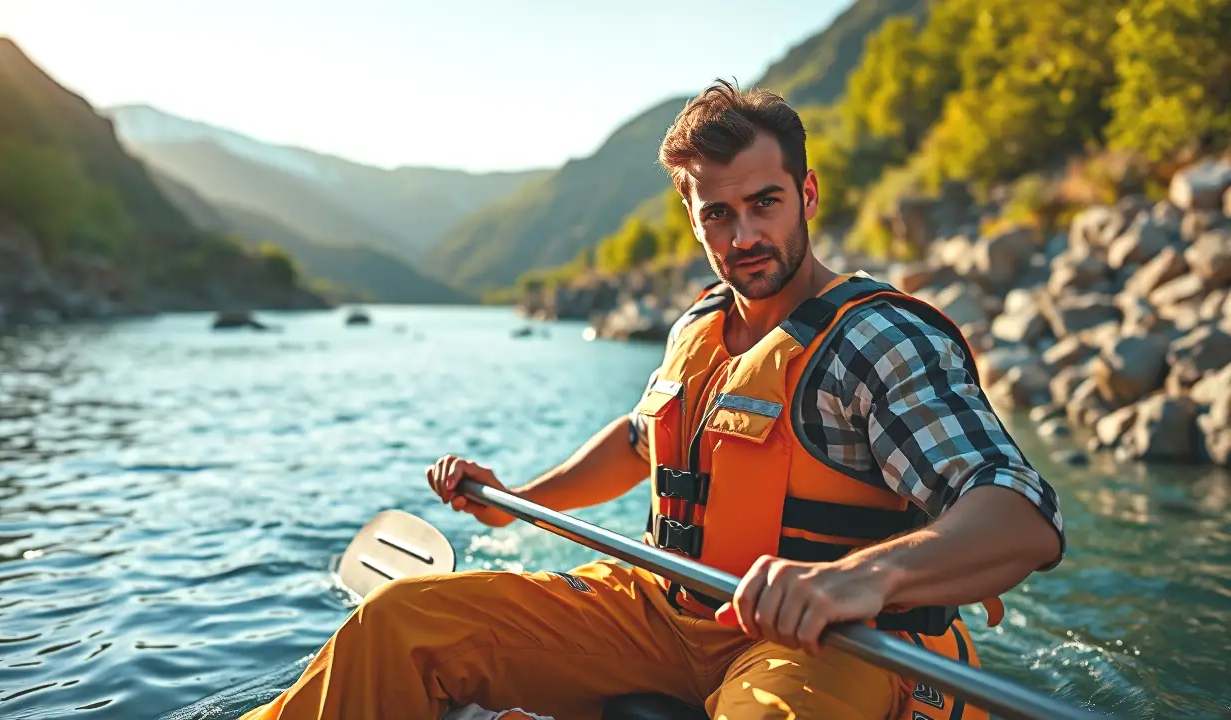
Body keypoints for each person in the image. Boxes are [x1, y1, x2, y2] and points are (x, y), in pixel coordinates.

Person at [238, 79, 1065, 720]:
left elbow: (1020, 516)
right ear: (693, 220)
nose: (744, 236)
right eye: (719, 215)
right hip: (664, 613)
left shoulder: (877, 339)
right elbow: (642, 442)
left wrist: (861, 579)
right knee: (399, 622)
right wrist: (518, 501)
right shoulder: (700, 325)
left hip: (830, 643)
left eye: (765, 204)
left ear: (807, 195)